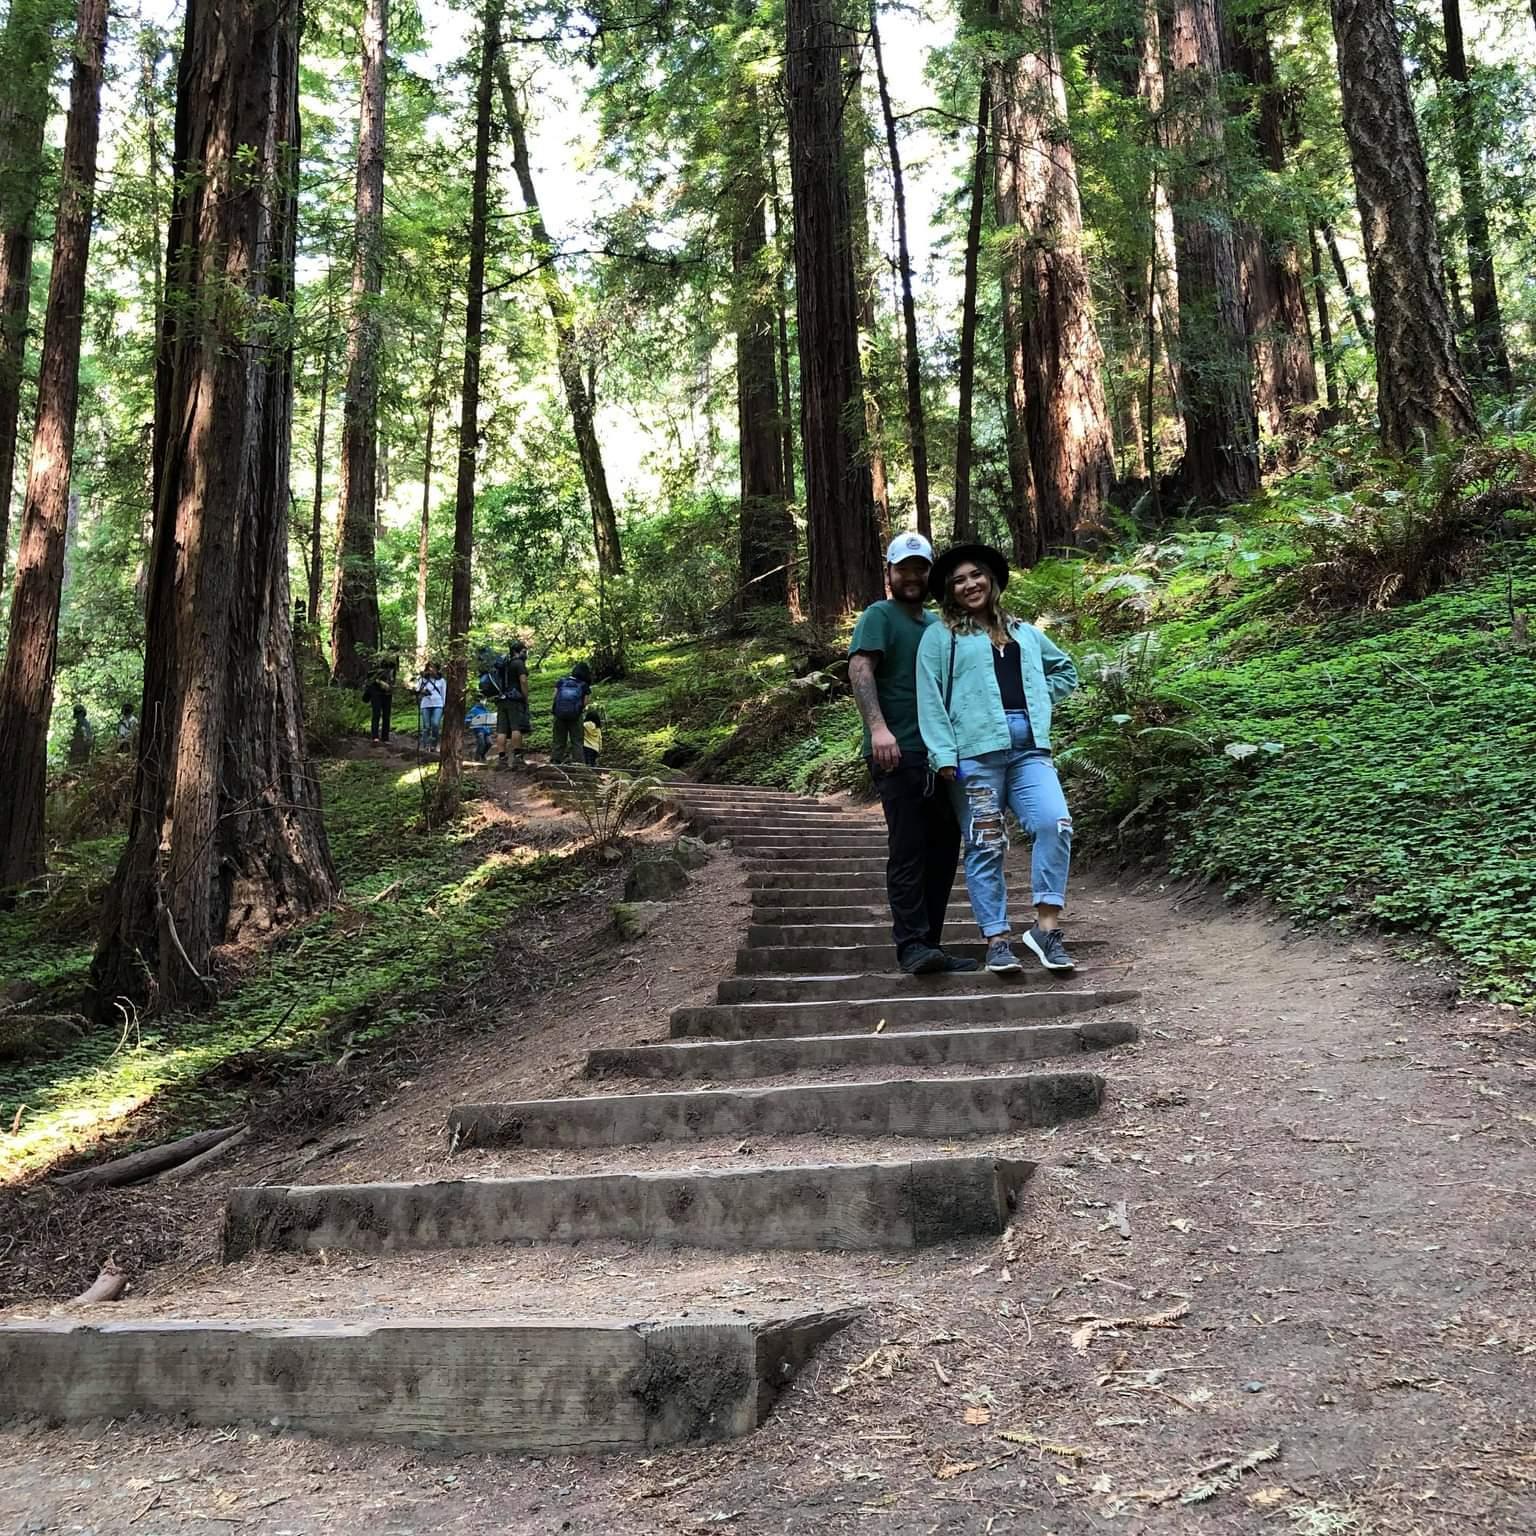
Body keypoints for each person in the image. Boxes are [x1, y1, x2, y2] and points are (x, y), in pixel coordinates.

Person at [916, 543, 1080, 976]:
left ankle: (1045, 929)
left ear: (991, 578)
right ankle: (997, 940)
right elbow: (929, 697)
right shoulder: (941, 636)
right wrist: (942, 754)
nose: (970, 585)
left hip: (1030, 752)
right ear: (950, 592)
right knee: (986, 844)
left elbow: (1066, 670)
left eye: (976, 575)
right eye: (958, 581)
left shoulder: (1024, 631)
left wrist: (1041, 699)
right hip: (974, 757)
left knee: (1054, 823)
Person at [849, 532, 977, 977]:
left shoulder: (936, 626)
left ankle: (931, 944)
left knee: (944, 849)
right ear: (889, 572)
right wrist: (879, 729)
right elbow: (861, 668)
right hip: (897, 753)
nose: (912, 576)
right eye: (903, 568)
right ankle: (911, 945)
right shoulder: (878, 615)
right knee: (909, 848)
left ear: (930, 573)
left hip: (939, 755)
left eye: (920, 568)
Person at [479, 640, 529, 769]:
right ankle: (517, 758)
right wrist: (525, 696)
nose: (526, 653)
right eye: (524, 651)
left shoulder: (504, 664)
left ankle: (502, 759)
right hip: (514, 700)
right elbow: (523, 681)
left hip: (501, 699)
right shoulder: (519, 664)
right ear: (517, 651)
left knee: (501, 730)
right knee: (515, 728)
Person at [550, 661, 592, 765]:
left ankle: (555, 762)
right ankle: (578, 764)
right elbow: (585, 702)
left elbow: (554, 697)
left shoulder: (561, 681)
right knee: (577, 741)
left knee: (558, 740)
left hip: (559, 715)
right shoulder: (584, 685)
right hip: (575, 716)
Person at [414, 662, 446, 748]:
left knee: (435, 724)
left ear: (437, 669)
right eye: (429, 668)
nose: (431, 670)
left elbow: (444, 694)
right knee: (426, 726)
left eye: (433, 668)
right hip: (426, 704)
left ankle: (433, 745)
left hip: (438, 704)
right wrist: (422, 690)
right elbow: (417, 689)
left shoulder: (441, 680)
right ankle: (425, 745)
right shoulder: (422, 679)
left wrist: (444, 705)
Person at [361, 668, 393, 743]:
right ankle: (380, 737)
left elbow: (365, 698)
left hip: (384, 696)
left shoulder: (372, 685)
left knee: (381, 716)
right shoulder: (377, 681)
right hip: (382, 695)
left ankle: (380, 737)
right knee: (381, 716)